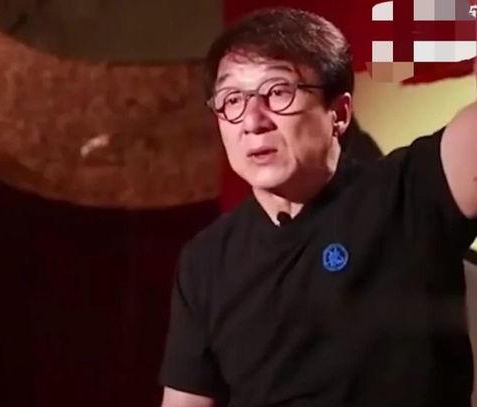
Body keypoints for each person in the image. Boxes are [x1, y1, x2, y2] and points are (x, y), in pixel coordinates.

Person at [159, 7, 477, 407]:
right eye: (232, 99)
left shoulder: (408, 192)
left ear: (339, 113)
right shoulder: (206, 260)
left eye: (278, 92)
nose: (252, 121)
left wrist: (460, 16)